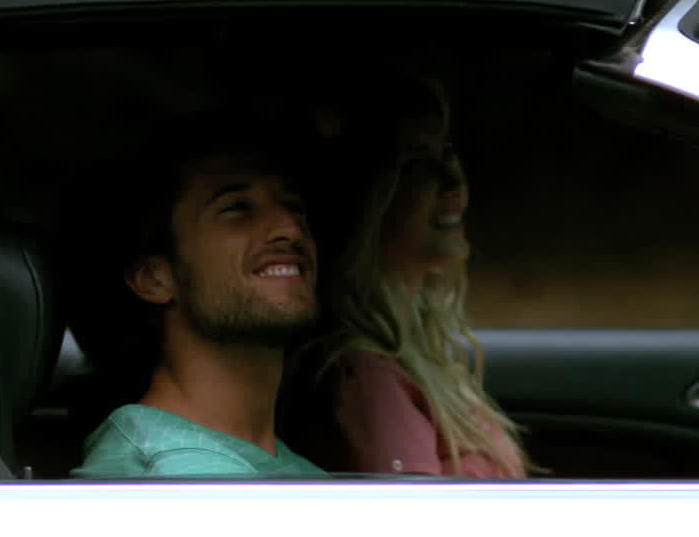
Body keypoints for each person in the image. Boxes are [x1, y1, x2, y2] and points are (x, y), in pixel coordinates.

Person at [284, 73, 529, 478]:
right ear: (362, 197)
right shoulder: (365, 381)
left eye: (448, 153)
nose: (453, 182)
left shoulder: (406, 357)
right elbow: (409, 518)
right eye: (416, 165)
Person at [67, 116, 325, 477]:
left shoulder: (286, 470)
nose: (290, 228)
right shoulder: (170, 477)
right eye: (237, 208)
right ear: (154, 279)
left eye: (293, 206)